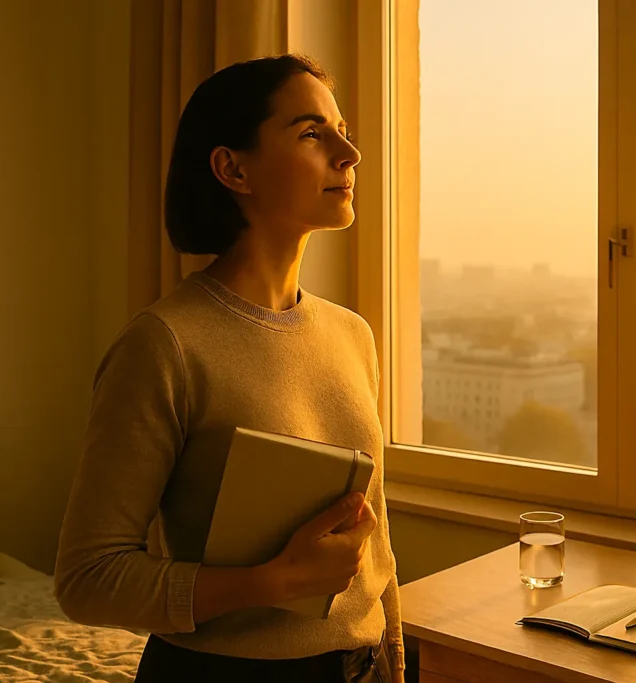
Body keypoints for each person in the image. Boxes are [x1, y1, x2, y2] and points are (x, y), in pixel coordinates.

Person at [54, 54, 404, 682]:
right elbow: (87, 578)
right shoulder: (164, 346)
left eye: (342, 129)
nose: (349, 153)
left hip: (365, 666)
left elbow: (376, 553)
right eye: (311, 133)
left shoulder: (354, 335)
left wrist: (395, 665)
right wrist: (267, 582)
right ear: (232, 168)